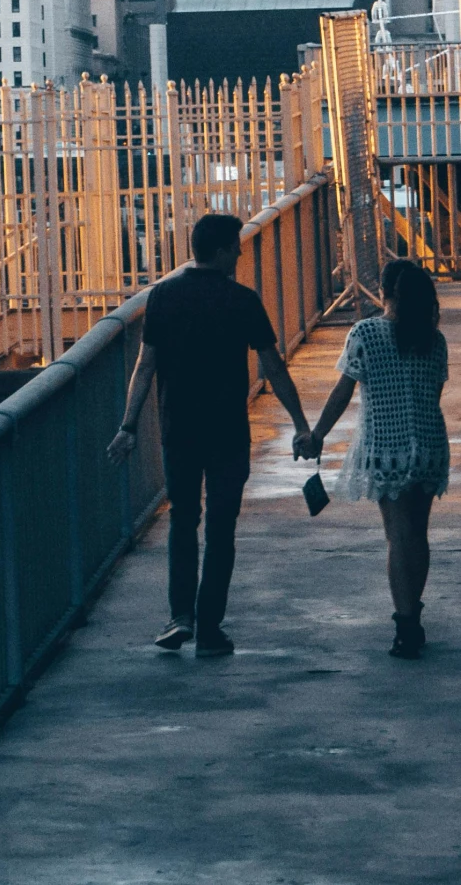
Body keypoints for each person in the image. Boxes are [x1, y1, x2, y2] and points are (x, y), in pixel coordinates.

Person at [107, 212, 311, 656]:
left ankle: (180, 616)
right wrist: (299, 423)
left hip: (178, 429)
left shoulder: (161, 296)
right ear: (220, 251)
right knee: (221, 530)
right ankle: (210, 630)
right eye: (235, 246)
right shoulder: (242, 300)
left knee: (183, 520)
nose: (240, 251)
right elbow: (272, 366)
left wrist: (128, 426)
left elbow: (145, 367)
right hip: (227, 432)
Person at [296, 257, 449, 659]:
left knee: (397, 536)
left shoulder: (366, 333)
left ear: (384, 293)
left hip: (387, 446)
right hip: (430, 444)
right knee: (416, 534)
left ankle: (406, 627)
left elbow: (342, 392)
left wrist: (317, 435)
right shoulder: (434, 340)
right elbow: (432, 394)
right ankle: (412, 612)